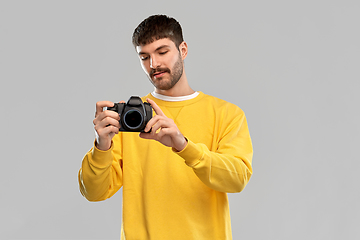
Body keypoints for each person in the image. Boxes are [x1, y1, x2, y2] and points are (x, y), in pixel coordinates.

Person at [78, 14, 253, 240]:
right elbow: (93, 192)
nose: (154, 64)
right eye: (144, 57)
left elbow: (237, 179)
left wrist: (184, 146)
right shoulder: (128, 120)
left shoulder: (226, 113)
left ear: (183, 50)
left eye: (162, 52)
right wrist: (101, 146)